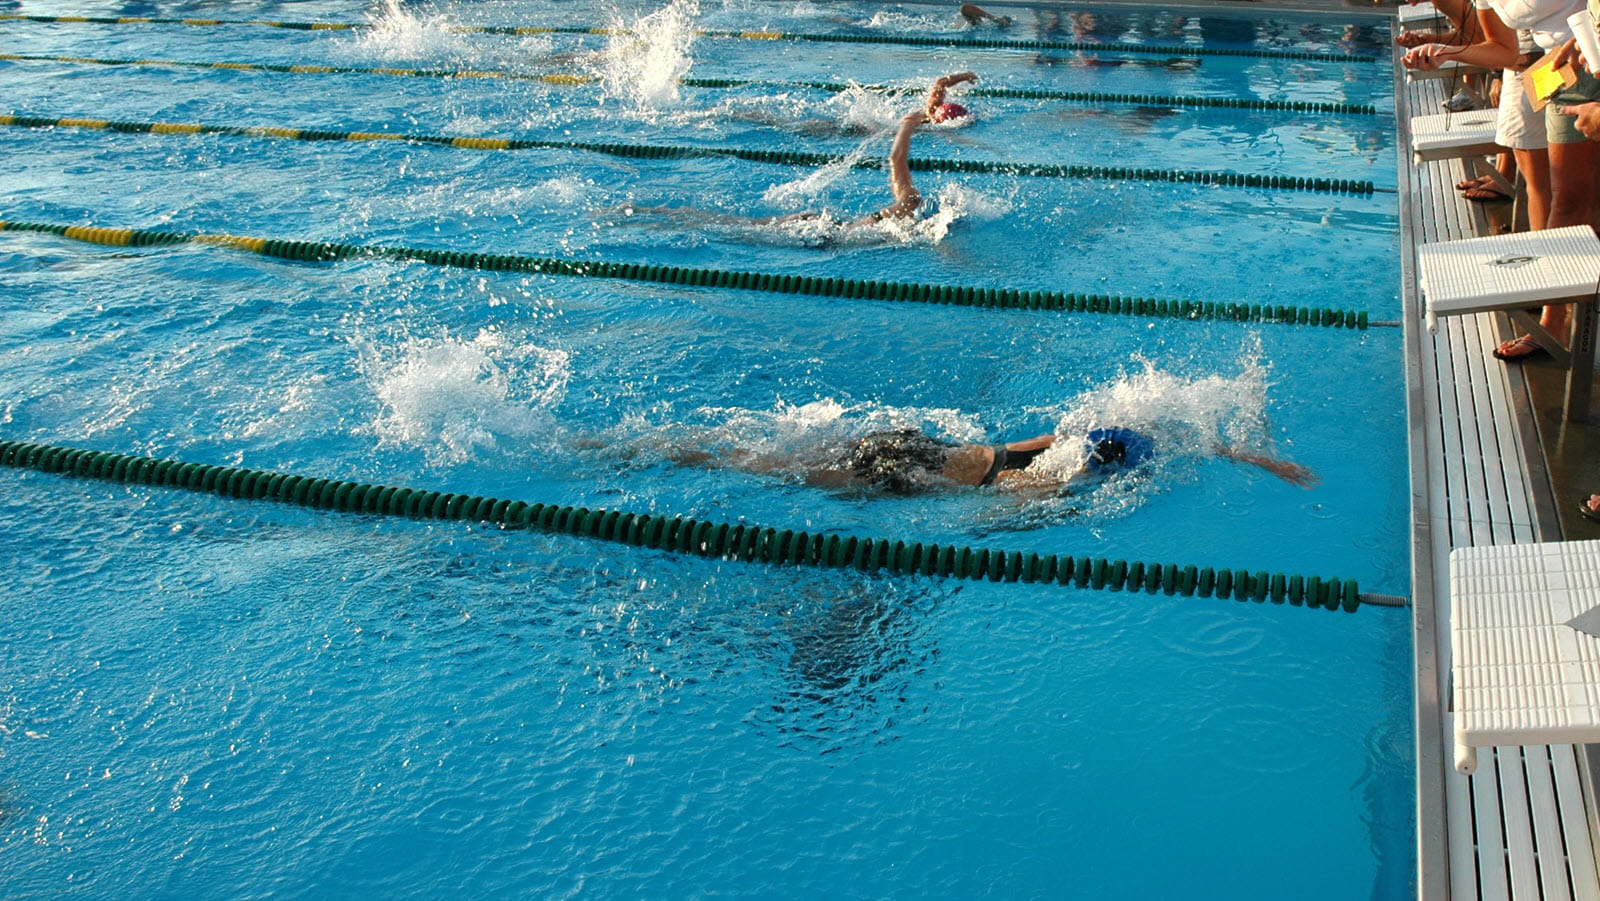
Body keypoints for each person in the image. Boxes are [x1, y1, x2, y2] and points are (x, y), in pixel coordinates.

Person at [1403, 0, 1598, 362]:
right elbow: (1505, 50)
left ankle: (1561, 308)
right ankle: (1554, 318)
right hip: (1560, 68)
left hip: (1579, 60)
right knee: (1568, 199)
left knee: (1575, 197)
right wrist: (1445, 52)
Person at [672, 426, 1318, 495]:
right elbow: (994, 510)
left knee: (767, 455)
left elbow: (1181, 436)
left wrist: (1263, 461)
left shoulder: (1059, 439)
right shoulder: (1049, 479)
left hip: (915, 442)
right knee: (766, 472)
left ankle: (678, 445)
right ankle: (683, 454)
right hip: (911, 474)